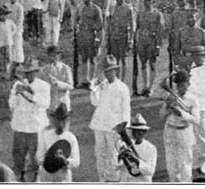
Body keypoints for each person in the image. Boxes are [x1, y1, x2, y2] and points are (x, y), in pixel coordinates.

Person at [89, 54, 131, 182]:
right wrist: (94, 88)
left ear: (116, 71)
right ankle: (103, 180)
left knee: (114, 155)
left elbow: (126, 108)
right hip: (99, 125)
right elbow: (94, 102)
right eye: (106, 71)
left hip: (114, 127)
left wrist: (124, 126)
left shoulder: (122, 88)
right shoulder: (102, 85)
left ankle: (114, 181)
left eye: (110, 71)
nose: (108, 74)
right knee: (100, 155)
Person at [9, 59, 51, 182]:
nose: (28, 75)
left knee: (36, 157)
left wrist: (31, 93)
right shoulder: (18, 84)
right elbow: (12, 104)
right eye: (26, 72)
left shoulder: (43, 86)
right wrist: (16, 94)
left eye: (31, 72)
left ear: (36, 72)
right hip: (20, 125)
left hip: (36, 126)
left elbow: (46, 104)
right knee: (18, 156)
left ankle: (35, 179)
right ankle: (20, 178)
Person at [160, 69, 200, 182]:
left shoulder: (193, 100)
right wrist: (167, 108)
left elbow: (196, 120)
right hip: (170, 131)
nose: (180, 87)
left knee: (185, 165)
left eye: (183, 84)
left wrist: (181, 113)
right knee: (171, 164)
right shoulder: (171, 96)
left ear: (188, 84)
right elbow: (161, 116)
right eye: (178, 84)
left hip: (185, 132)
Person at [188, 46, 205, 175]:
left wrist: (186, 85)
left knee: (203, 135)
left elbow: (201, 90)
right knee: (191, 135)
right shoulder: (193, 68)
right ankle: (194, 160)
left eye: (197, 55)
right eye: (193, 55)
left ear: (203, 56)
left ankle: (204, 161)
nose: (194, 58)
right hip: (190, 107)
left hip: (201, 107)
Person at [35, 103, 80, 182]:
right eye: (58, 120)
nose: (60, 123)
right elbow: (39, 156)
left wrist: (65, 162)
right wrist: (50, 160)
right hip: (47, 176)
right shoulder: (45, 135)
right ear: (54, 120)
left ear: (66, 121)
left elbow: (76, 161)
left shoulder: (71, 138)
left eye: (63, 120)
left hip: (63, 177)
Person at [135, 0, 165, 96]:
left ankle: (151, 87)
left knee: (152, 64)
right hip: (142, 41)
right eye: (146, 1)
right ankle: (145, 86)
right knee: (143, 64)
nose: (147, 3)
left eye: (149, 1)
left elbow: (160, 31)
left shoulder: (157, 14)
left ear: (153, 1)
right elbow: (137, 28)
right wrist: (136, 41)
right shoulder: (140, 14)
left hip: (152, 41)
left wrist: (158, 45)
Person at [117, 113, 158, 182]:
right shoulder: (125, 145)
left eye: (140, 131)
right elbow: (117, 167)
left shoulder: (151, 148)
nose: (137, 133)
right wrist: (123, 158)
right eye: (134, 130)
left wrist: (136, 160)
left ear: (144, 132)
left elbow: (150, 171)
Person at [108, 0, 135, 79]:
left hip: (124, 36)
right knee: (115, 60)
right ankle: (116, 79)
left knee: (124, 59)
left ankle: (122, 79)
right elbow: (109, 23)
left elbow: (132, 25)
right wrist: (109, 36)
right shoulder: (112, 8)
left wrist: (131, 39)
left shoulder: (128, 9)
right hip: (114, 37)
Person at [41, 45, 74, 112]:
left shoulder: (65, 68)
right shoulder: (44, 70)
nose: (52, 58)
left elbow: (70, 86)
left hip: (63, 104)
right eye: (50, 55)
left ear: (59, 56)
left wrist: (57, 83)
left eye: (54, 55)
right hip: (50, 105)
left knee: (64, 121)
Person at [0, 7, 15, 78]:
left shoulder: (10, 22)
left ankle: (8, 71)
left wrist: (11, 35)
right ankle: (2, 71)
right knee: (1, 57)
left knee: (9, 57)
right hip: (1, 43)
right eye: (2, 15)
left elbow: (14, 29)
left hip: (8, 42)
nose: (4, 16)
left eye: (5, 15)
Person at [6, 0, 25, 73]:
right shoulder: (7, 6)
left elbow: (20, 19)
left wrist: (15, 29)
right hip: (9, 28)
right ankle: (12, 60)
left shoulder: (19, 7)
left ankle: (19, 61)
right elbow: (6, 17)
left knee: (18, 45)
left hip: (17, 29)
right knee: (11, 45)